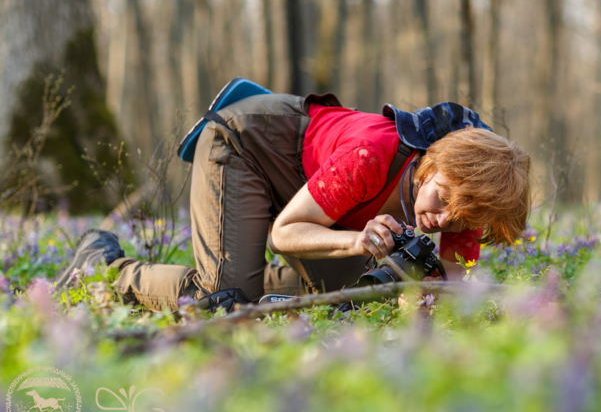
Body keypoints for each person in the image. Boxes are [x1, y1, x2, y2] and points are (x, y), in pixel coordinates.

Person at [57, 92, 531, 311]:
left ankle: (245, 270)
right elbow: (285, 232)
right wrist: (356, 241)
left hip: (313, 192)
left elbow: (454, 279)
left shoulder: (468, 204)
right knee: (224, 300)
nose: (441, 219)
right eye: (440, 197)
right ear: (433, 161)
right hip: (245, 147)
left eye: (460, 217)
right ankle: (103, 266)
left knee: (338, 299)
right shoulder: (374, 153)